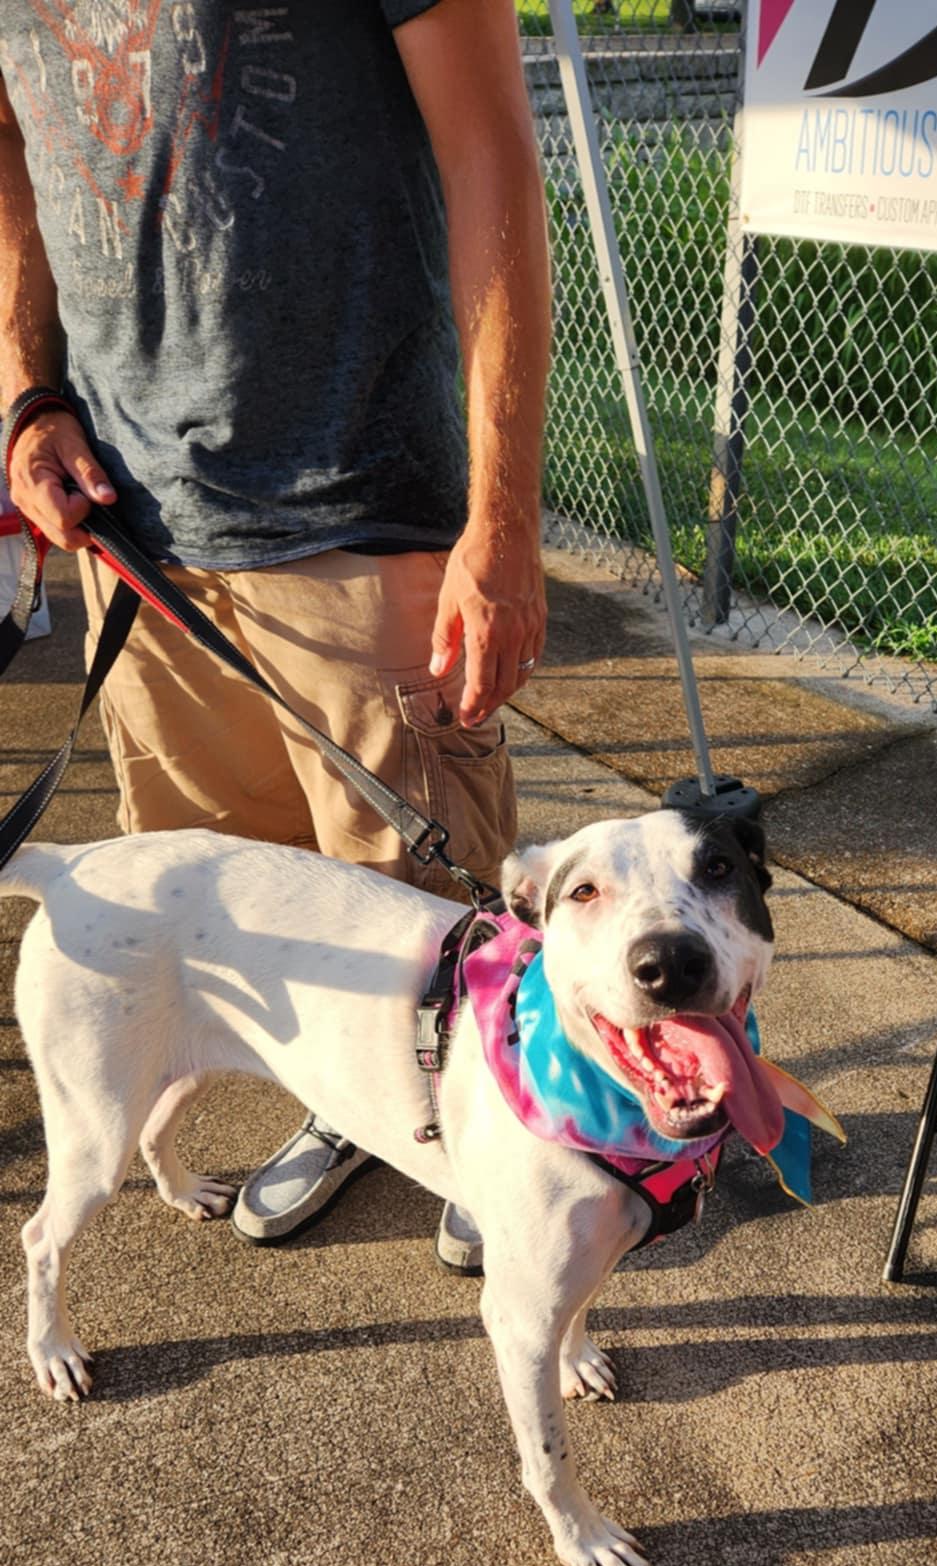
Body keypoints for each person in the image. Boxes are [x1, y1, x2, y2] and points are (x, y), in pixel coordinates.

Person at [0, 0, 551, 1262]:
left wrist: (505, 518)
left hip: (362, 502)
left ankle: (488, 1137)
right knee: (244, 918)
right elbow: (12, 144)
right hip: (134, 531)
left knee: (430, 921)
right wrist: (27, 392)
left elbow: (490, 151)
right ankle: (350, 1101)